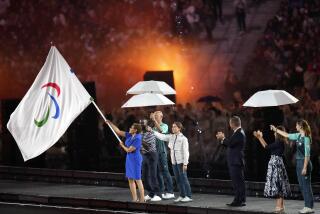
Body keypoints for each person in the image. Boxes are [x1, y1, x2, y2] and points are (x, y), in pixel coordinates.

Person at [271, 120, 314, 214]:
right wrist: (276, 130)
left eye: (297, 125)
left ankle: (309, 206)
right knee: (302, 185)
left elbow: (307, 154)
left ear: (301, 126)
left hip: (304, 163)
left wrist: (305, 167)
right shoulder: (298, 136)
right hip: (299, 163)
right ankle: (307, 206)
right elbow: (286, 135)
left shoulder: (306, 138)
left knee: (306, 185)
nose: (296, 127)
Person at [150, 122, 193, 202]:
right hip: (174, 163)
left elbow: (186, 152)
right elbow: (162, 136)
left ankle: (189, 196)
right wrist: (153, 131)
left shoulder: (183, 139)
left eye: (175, 127)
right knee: (178, 180)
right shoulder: (171, 137)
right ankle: (182, 195)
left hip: (181, 163)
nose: (173, 128)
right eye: (172, 127)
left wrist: (185, 163)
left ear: (179, 128)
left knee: (184, 179)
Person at [253, 126, 291, 213]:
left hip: (276, 164)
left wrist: (260, 137)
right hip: (277, 163)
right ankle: (281, 207)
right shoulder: (280, 142)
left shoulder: (279, 142)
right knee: (279, 184)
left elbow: (266, 147)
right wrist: (259, 137)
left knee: (277, 185)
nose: (274, 133)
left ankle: (279, 207)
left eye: (275, 132)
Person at [107, 120, 145, 203]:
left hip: (135, 159)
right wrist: (110, 123)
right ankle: (135, 199)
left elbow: (129, 150)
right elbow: (118, 131)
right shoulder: (130, 135)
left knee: (137, 179)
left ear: (135, 130)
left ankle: (142, 199)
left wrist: (122, 145)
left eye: (131, 127)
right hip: (129, 159)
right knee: (130, 179)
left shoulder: (138, 138)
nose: (130, 128)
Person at [216, 116, 246, 207]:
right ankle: (241, 199)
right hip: (235, 161)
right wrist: (223, 140)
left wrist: (223, 138)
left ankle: (238, 201)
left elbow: (230, 143)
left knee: (237, 182)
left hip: (236, 161)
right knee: (238, 181)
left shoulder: (239, 133)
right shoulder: (238, 132)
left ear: (232, 124)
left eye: (230, 123)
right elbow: (231, 145)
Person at [150, 111, 175, 199]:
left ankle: (170, 191)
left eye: (156, 116)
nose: (155, 117)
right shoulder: (153, 127)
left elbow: (161, 131)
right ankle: (161, 191)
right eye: (154, 116)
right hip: (154, 152)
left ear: (161, 117)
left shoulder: (165, 125)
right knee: (157, 173)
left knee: (165, 171)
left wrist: (154, 121)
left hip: (162, 152)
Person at [141, 120, 162, 202]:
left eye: (144, 123)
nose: (142, 124)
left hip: (152, 155)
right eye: (141, 123)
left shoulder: (152, 133)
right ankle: (151, 193)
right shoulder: (141, 134)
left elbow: (148, 147)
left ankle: (158, 194)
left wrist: (140, 140)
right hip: (144, 156)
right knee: (144, 176)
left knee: (153, 175)